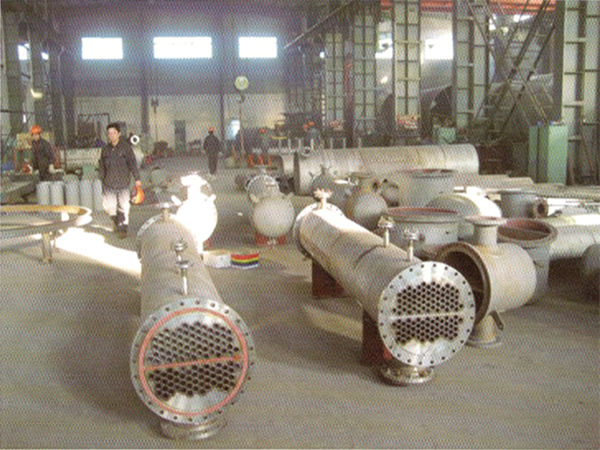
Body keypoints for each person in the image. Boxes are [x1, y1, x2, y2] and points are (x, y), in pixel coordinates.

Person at [98, 122, 141, 239]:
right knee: (109, 208)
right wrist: (102, 177)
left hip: (123, 184)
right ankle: (117, 222)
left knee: (123, 208)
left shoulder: (126, 148)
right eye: (109, 133)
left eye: (114, 133)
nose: (111, 135)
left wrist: (137, 178)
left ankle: (123, 229)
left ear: (119, 134)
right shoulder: (105, 149)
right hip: (109, 184)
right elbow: (102, 165)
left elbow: (132, 163)